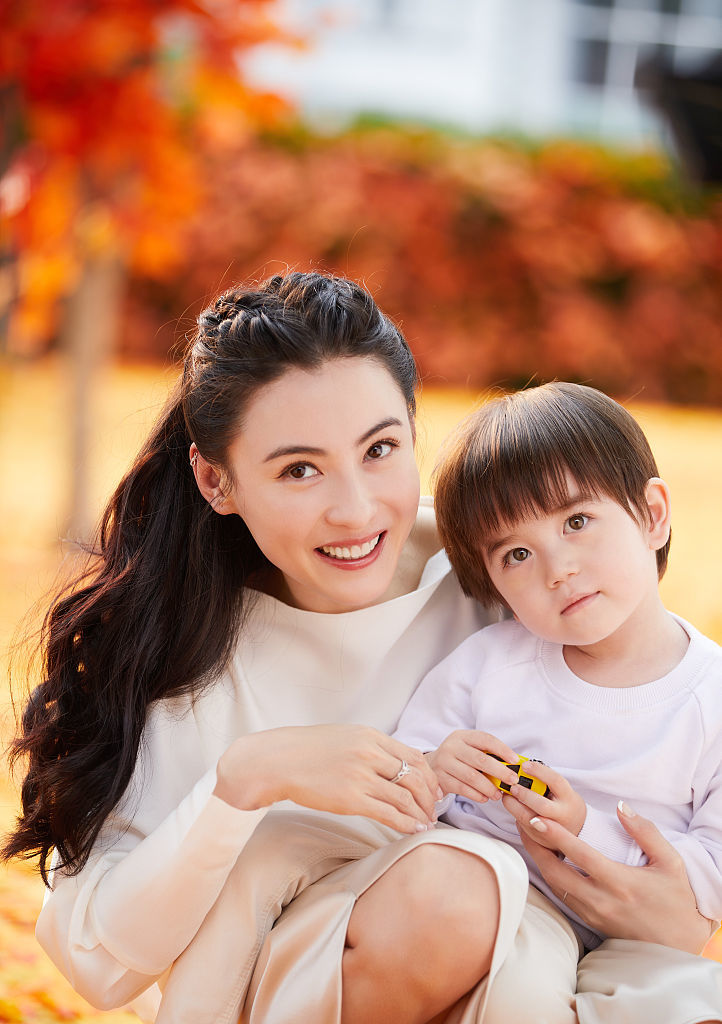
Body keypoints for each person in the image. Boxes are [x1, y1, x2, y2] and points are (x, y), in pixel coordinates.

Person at [1, 274, 718, 1024]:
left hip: (537, 959)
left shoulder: (494, 566)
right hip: (296, 975)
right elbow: (97, 966)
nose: (354, 510)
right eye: (299, 470)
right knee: (458, 898)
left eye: (379, 449)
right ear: (217, 481)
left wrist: (665, 910)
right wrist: (246, 779)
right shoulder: (188, 649)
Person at [395, 381, 722, 1022]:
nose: (557, 568)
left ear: (652, 515)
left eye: (577, 521)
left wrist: (583, 833)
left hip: (642, 938)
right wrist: (436, 769)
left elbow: (708, 877)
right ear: (490, 584)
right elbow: (401, 782)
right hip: (515, 912)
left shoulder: (710, 696)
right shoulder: (489, 665)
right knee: (519, 999)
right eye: (517, 554)